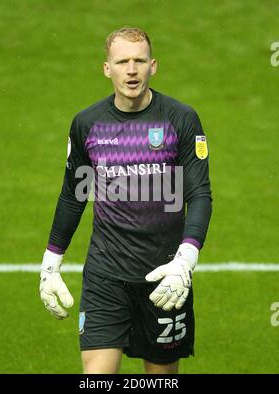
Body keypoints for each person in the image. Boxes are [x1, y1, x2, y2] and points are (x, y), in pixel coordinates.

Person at [39, 27, 212, 374]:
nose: (131, 70)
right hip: (106, 275)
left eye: (139, 61)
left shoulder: (180, 119)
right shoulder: (88, 124)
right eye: (122, 61)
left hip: (165, 276)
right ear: (107, 68)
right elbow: (74, 195)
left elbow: (199, 194)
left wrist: (185, 262)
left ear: (153, 66)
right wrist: (51, 263)